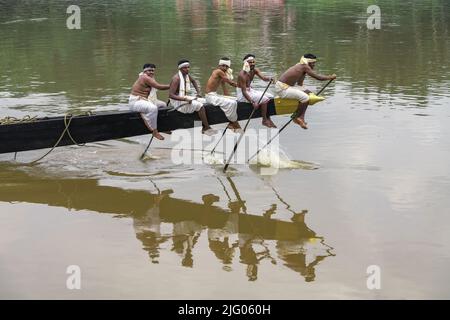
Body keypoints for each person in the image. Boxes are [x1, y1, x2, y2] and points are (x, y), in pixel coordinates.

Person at [275, 53, 336, 129]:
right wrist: (331, 77)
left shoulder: (301, 67)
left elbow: (300, 84)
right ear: (308, 62)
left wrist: (308, 92)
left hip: (287, 86)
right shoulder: (304, 67)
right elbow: (319, 78)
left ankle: (298, 117)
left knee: (308, 93)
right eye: (313, 63)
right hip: (282, 88)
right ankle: (298, 118)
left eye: (314, 63)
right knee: (305, 98)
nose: (314, 65)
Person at [169, 59, 217, 136]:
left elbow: (194, 81)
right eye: (185, 68)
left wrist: (198, 92)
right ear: (180, 68)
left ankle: (203, 124)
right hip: (177, 101)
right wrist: (185, 99)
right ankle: (206, 128)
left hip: (184, 97)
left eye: (188, 67)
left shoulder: (187, 75)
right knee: (200, 106)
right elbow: (171, 95)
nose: (187, 69)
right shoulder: (176, 78)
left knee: (205, 101)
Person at [129, 63, 170, 140]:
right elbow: (159, 87)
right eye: (149, 70)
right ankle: (154, 131)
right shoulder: (144, 77)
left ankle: (163, 127)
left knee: (163, 105)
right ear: (144, 71)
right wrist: (172, 85)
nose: (151, 72)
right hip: (136, 102)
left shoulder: (150, 77)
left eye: (153, 71)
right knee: (153, 108)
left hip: (145, 100)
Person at [236, 54, 276, 128]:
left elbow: (264, 78)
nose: (252, 64)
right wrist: (252, 102)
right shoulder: (242, 74)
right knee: (264, 99)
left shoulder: (255, 70)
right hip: (242, 94)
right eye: (250, 62)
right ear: (245, 63)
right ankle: (264, 120)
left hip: (250, 90)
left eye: (253, 62)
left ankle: (268, 118)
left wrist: (270, 78)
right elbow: (244, 92)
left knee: (270, 96)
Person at [205, 57, 242, 132]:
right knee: (232, 103)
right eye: (223, 65)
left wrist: (228, 97)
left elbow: (224, 87)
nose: (225, 68)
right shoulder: (218, 71)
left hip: (214, 95)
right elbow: (230, 82)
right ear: (219, 66)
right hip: (210, 96)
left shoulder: (222, 75)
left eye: (227, 66)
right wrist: (243, 86)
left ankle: (230, 122)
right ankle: (235, 123)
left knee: (235, 100)